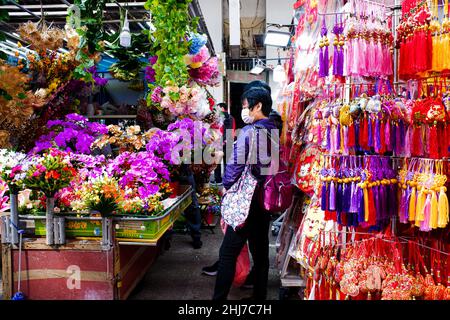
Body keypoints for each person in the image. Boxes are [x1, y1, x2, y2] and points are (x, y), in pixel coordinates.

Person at [202, 80, 282, 289]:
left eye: (247, 106)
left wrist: (226, 185)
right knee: (261, 253)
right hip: (264, 199)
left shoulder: (250, 131)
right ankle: (259, 298)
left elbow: (235, 164)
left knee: (227, 253)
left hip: (245, 202)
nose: (244, 110)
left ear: (258, 106)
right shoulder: (274, 129)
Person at [212, 103, 235, 185]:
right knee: (227, 162)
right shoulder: (231, 118)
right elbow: (232, 130)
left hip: (218, 142)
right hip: (228, 142)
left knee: (217, 162)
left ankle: (218, 180)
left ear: (222, 108)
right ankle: (226, 179)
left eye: (218, 107)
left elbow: (216, 130)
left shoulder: (217, 117)